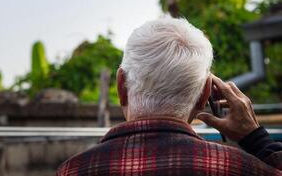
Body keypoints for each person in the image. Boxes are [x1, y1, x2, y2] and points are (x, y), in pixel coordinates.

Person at [56, 18, 282, 175]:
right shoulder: (240, 168)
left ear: (120, 85)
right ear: (204, 94)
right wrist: (257, 139)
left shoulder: (73, 170)